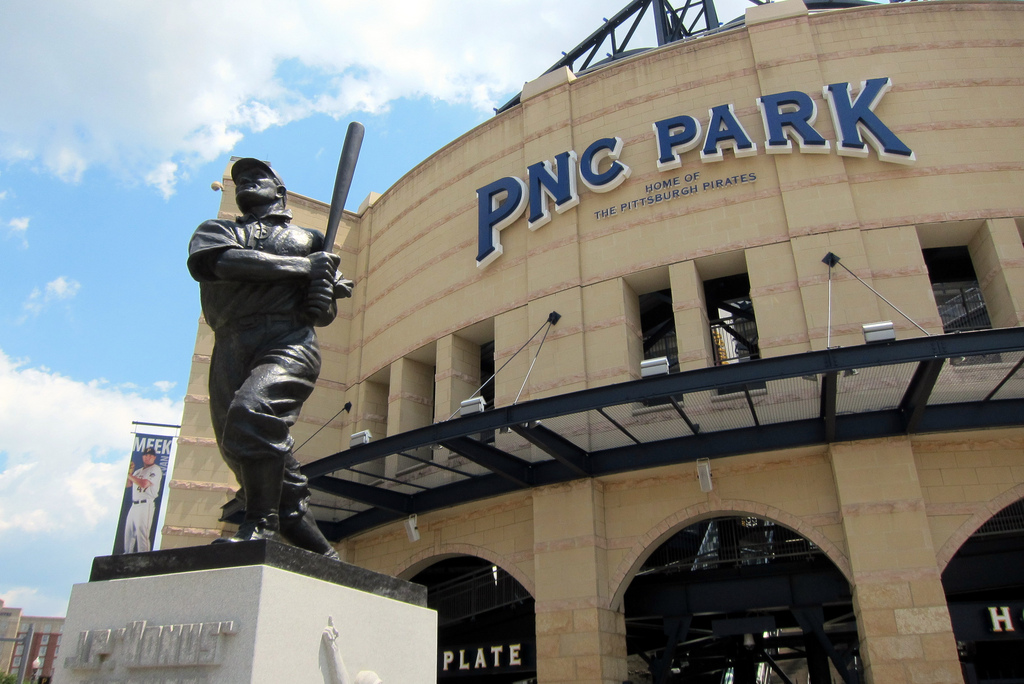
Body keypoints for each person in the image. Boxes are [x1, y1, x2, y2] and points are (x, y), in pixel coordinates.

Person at [187, 157, 352, 557]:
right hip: (232, 343)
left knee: (251, 413)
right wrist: (305, 269)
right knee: (242, 451)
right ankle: (323, 554)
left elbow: (322, 315)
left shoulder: (312, 240)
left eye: (255, 177)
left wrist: (323, 294)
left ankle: (260, 523)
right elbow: (224, 264)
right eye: (239, 179)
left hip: (287, 340)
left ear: (280, 190)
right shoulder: (217, 231)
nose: (244, 182)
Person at [124, 447, 162, 553]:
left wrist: (129, 476)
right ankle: (126, 556)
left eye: (150, 455)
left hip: (146, 504)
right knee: (129, 533)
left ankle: (144, 557)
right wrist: (129, 473)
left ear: (154, 457)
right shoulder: (138, 471)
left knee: (142, 534)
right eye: (146, 455)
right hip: (134, 505)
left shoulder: (156, 469)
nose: (148, 457)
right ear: (142, 457)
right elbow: (128, 485)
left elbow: (144, 484)